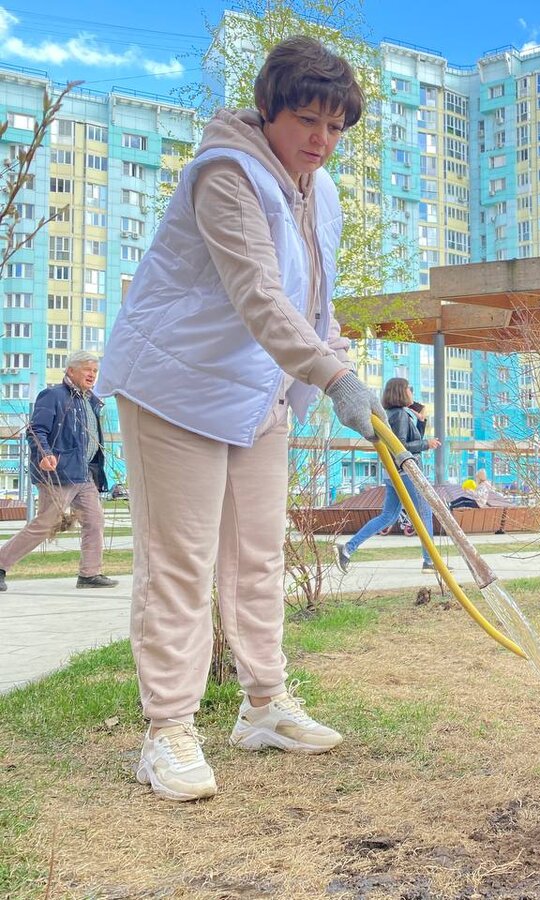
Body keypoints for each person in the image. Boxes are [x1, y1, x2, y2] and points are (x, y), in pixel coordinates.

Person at [95, 36, 381, 802]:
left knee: (257, 553)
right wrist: (334, 375)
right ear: (268, 108)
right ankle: (168, 731)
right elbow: (258, 293)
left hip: (258, 394)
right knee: (179, 562)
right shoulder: (225, 173)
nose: (322, 139)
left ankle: (264, 705)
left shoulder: (319, 189)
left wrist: (334, 363)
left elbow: (309, 299)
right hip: (177, 387)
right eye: (307, 119)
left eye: (335, 126)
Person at [0, 351, 117, 592]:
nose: (92, 375)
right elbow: (35, 430)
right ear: (70, 371)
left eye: (95, 371)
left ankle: (89, 574)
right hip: (58, 474)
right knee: (45, 523)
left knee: (95, 521)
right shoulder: (53, 396)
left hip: (85, 475)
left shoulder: (90, 401)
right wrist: (44, 454)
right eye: (87, 369)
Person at [336, 377, 441, 572]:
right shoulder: (400, 415)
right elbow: (400, 447)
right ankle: (429, 561)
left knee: (389, 516)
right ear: (402, 392)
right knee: (424, 512)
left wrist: (421, 421)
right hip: (405, 472)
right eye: (409, 389)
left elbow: (405, 440)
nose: (412, 393)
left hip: (393, 473)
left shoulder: (393, 414)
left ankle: (348, 548)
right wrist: (427, 444)